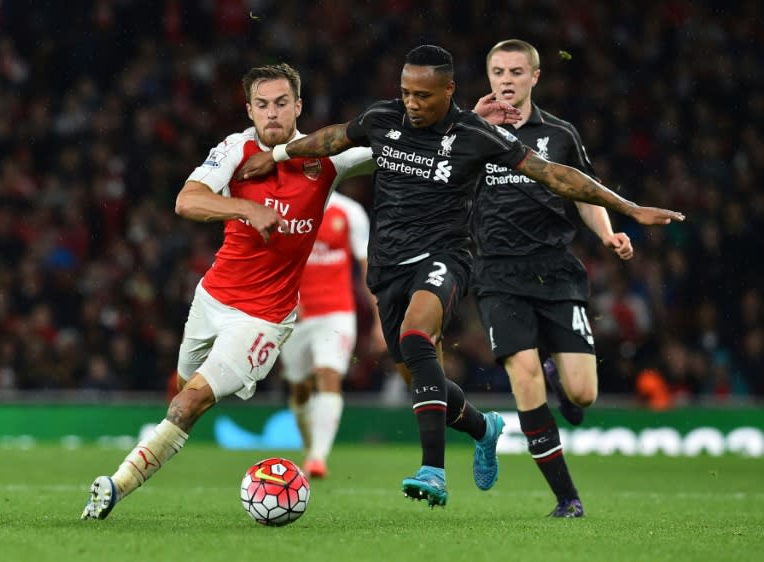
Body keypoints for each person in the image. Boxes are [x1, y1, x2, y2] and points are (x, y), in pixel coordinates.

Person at [237, 45, 684, 508]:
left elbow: (554, 175)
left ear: (449, 90)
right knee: (418, 374)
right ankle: (483, 427)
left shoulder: (475, 134)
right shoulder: (383, 118)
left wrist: (628, 209)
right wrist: (280, 153)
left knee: (417, 338)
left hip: (447, 257)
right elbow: (333, 138)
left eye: (423, 96)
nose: (412, 103)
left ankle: (433, 469)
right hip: (389, 265)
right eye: (406, 93)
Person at [80, 62, 374, 520]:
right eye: (262, 105)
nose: (272, 114)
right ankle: (180, 425)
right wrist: (244, 209)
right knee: (181, 391)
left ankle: (112, 489)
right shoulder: (235, 149)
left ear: (298, 106)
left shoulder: (326, 158)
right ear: (250, 109)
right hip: (213, 299)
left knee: (189, 401)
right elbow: (186, 200)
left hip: (266, 317)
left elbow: (394, 143)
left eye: (281, 103)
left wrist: (466, 126)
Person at [470, 39, 636, 518]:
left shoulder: (560, 134)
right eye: (498, 71)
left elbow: (584, 193)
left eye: (516, 72)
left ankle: (555, 374)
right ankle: (567, 497)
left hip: (557, 272)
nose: (506, 80)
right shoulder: (471, 134)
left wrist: (607, 234)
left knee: (583, 394)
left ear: (534, 77)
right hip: (498, 273)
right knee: (522, 377)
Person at [280, 189, 385, 479]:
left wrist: (379, 321)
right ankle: (310, 442)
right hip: (293, 315)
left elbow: (368, 271)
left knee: (329, 375)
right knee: (299, 387)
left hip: (336, 312)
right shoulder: (287, 208)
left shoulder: (349, 212)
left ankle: (317, 457)